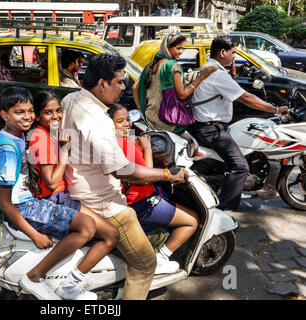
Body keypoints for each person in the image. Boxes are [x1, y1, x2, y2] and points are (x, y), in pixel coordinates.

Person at [61, 53, 190, 300]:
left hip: (77, 190)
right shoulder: (97, 119)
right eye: (119, 82)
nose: (123, 88)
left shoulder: (70, 99)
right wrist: (167, 174)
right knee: (144, 263)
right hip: (105, 204)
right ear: (101, 83)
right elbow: (122, 170)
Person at [0, 86, 116, 300]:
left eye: (29, 111)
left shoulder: (18, 136)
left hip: (31, 201)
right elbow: (5, 203)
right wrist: (34, 234)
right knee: (88, 227)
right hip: (26, 207)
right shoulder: (7, 150)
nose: (26, 117)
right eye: (19, 112)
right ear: (4, 114)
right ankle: (35, 276)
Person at [27, 89, 119, 287]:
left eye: (58, 110)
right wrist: (65, 150)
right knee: (111, 235)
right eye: (48, 112)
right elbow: (51, 181)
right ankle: (57, 279)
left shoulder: (46, 134)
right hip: (55, 198)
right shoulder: (41, 138)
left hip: (59, 195)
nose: (56, 116)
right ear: (37, 115)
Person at [190, 35, 290, 211]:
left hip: (207, 126)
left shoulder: (209, 67)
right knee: (240, 166)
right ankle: (225, 211)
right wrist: (275, 110)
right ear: (222, 52)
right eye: (233, 53)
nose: (234, 56)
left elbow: (233, 80)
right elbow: (246, 97)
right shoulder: (217, 73)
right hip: (211, 130)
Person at [107, 103, 199, 274]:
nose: (127, 124)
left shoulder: (109, 143)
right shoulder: (125, 145)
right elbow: (147, 177)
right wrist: (148, 149)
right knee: (192, 220)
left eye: (128, 119)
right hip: (142, 203)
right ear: (109, 124)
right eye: (120, 121)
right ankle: (161, 258)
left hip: (124, 201)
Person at [132, 32, 217, 133]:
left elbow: (134, 88)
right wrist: (201, 77)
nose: (181, 52)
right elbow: (182, 95)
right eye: (178, 48)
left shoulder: (149, 66)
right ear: (167, 47)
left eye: (182, 48)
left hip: (150, 120)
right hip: (168, 123)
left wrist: (140, 108)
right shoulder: (172, 66)